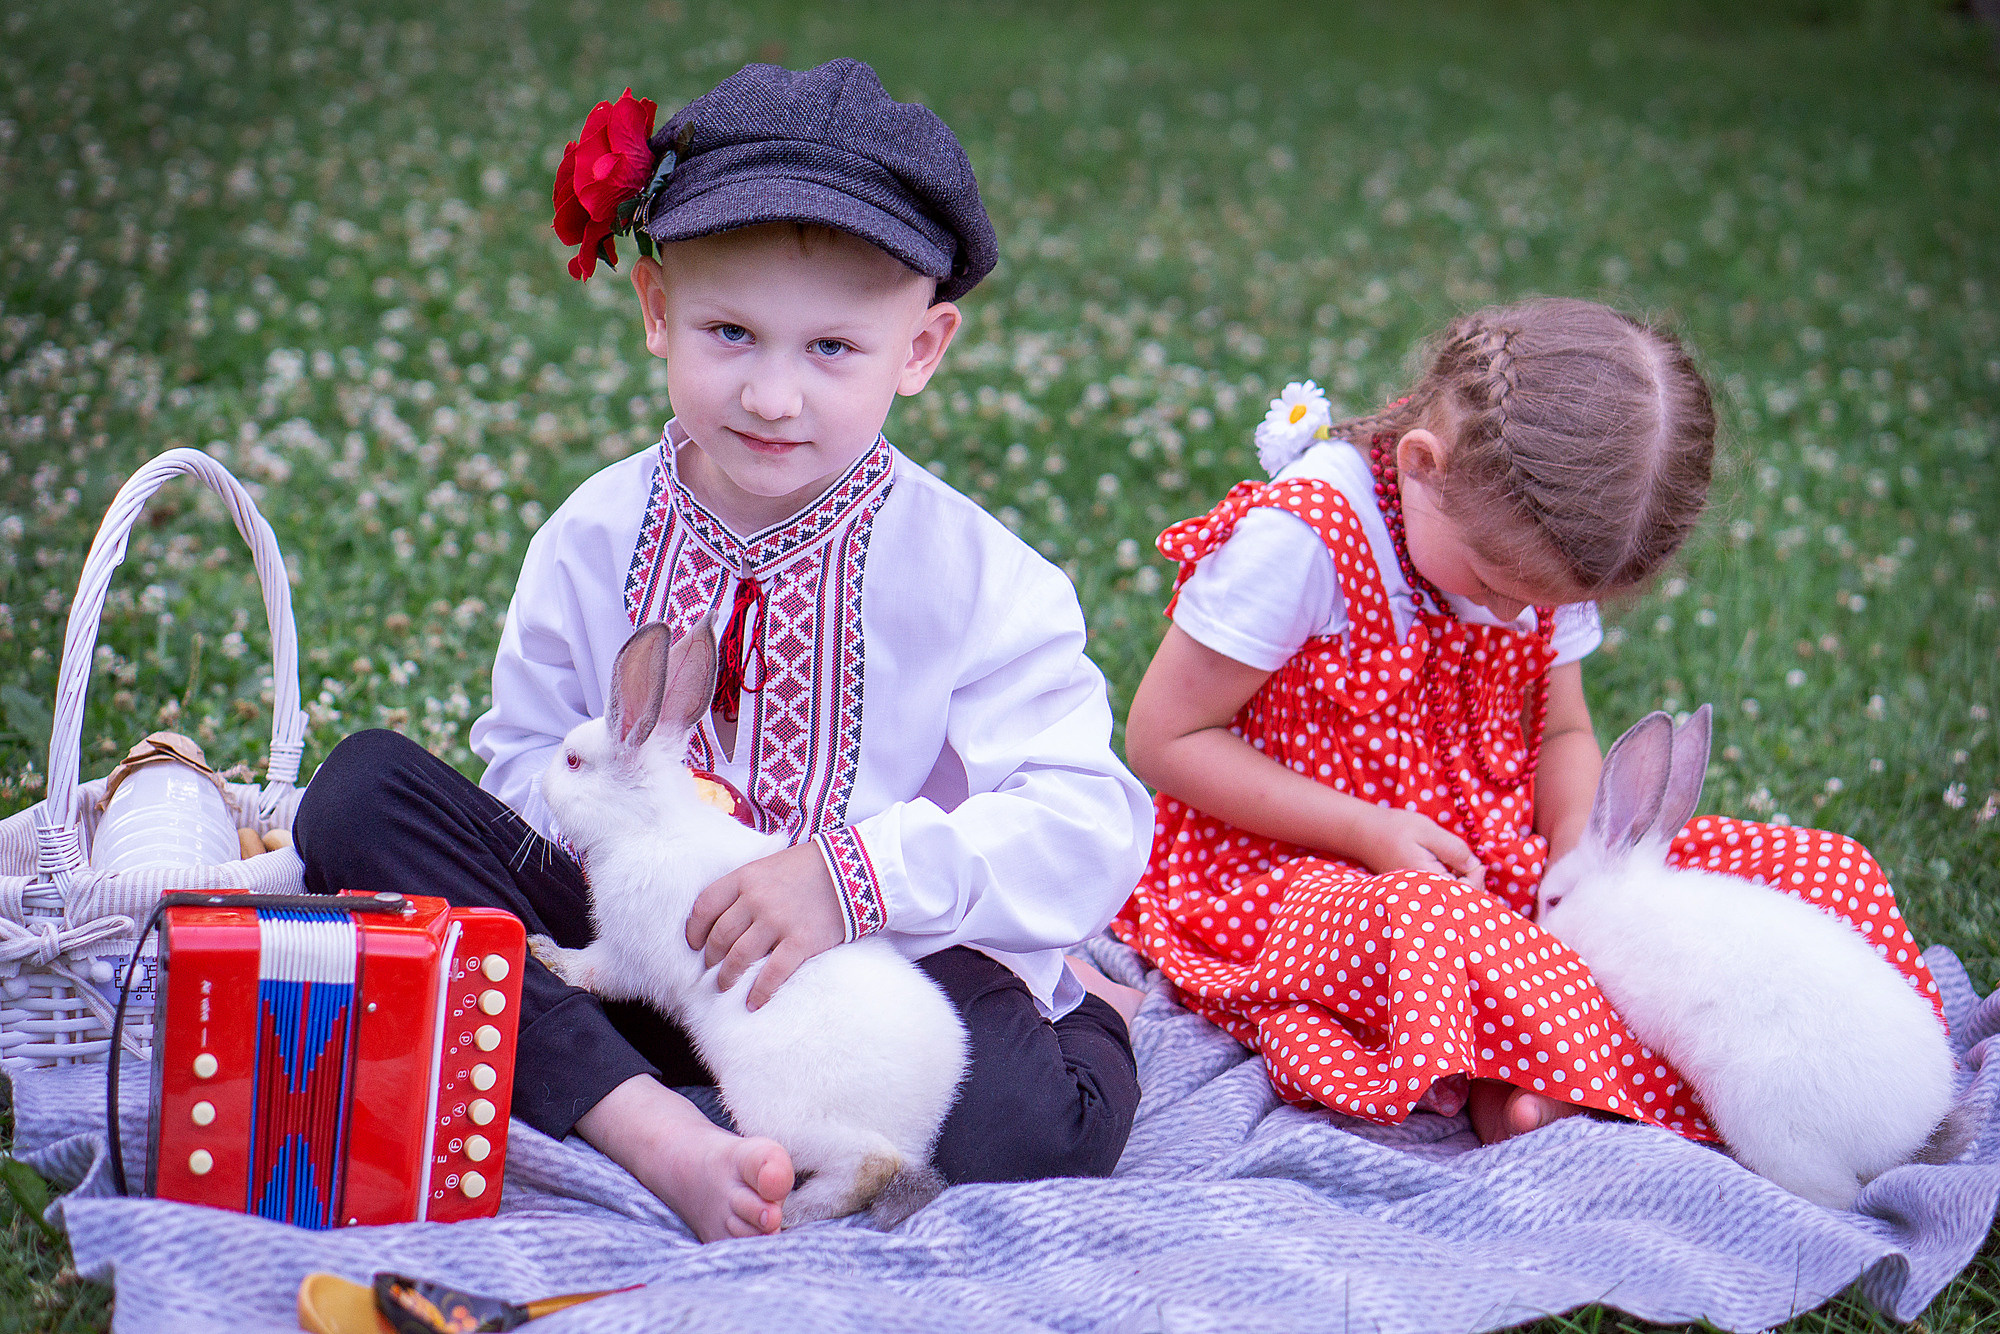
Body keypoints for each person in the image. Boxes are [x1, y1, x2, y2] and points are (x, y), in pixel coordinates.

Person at [295, 59, 1150, 1241]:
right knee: (360, 794)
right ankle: (659, 1126)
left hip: (866, 981)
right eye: (730, 331)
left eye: (833, 348)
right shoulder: (594, 534)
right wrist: (638, 857)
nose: (772, 392)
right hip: (631, 943)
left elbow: (1084, 817)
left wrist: (847, 879)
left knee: (1026, 1135)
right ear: (657, 311)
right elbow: (527, 757)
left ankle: (1093, 1010)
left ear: (922, 346)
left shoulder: (977, 574)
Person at [1113, 297, 1942, 1145]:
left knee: (1811, 871)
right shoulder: (1306, 539)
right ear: (1423, 463)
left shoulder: (1525, 560)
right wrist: (1369, 832)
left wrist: (1588, 857)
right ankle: (1541, 1076)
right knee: (1434, 930)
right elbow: (1164, 740)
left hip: (1496, 858)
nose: (1514, 616)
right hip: (1295, 869)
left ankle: (1573, 1066)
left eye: (1543, 604)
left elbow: (1563, 734)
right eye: (1494, 586)